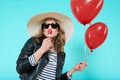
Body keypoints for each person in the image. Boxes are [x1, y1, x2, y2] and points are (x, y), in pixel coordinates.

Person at [16, 12, 88, 80]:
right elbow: (20, 68)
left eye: (54, 25)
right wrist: (42, 49)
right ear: (43, 30)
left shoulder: (61, 54)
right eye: (46, 26)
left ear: (58, 30)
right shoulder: (33, 42)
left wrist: (74, 69)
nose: (49, 28)